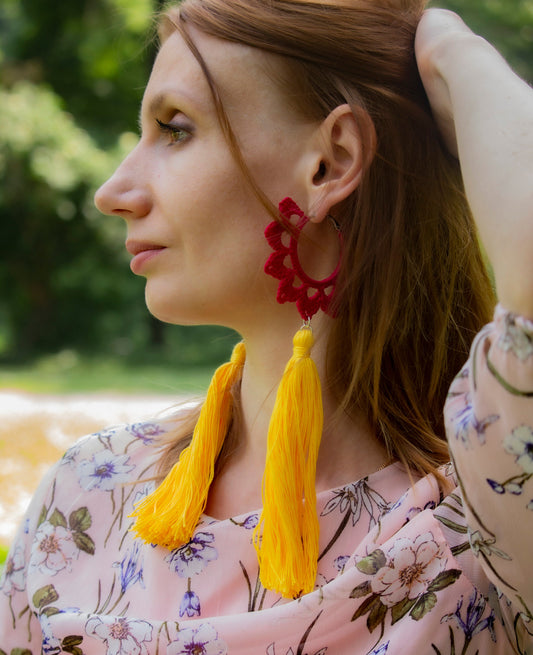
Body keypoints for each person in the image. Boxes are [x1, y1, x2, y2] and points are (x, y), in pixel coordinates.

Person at [1, 0, 532, 652]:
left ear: (329, 163)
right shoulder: (87, 495)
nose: (113, 190)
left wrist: (454, 52)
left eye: (174, 129)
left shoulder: (483, 529)